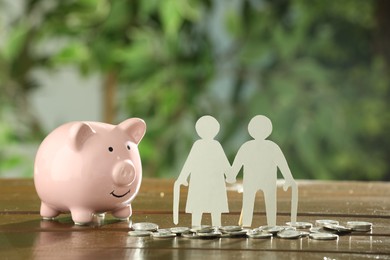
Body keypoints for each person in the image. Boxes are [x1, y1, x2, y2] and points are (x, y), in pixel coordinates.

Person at [226, 115, 297, 227]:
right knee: (259, 202)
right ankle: (258, 225)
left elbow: (282, 163)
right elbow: (282, 164)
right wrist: (288, 178)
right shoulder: (271, 147)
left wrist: (232, 176)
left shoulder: (248, 147)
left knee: (264, 202)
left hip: (260, 180)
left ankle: (265, 225)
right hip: (258, 181)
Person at [175, 115, 230, 227]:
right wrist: (182, 177)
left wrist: (182, 177)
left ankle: (214, 227)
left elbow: (223, 162)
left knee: (208, 207)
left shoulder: (207, 145)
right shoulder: (206, 145)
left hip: (207, 182)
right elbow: (190, 162)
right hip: (206, 182)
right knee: (202, 208)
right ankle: (200, 227)